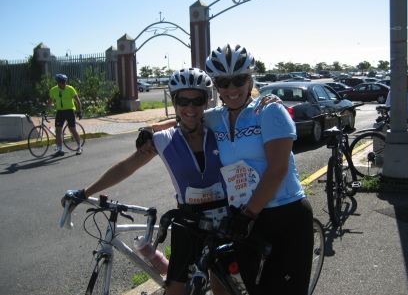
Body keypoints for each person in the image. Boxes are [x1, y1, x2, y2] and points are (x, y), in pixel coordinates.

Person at [153, 44, 314, 294]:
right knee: (254, 289)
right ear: (215, 86)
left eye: (239, 80)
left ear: (250, 79)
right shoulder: (217, 117)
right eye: (223, 82)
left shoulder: (269, 110)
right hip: (245, 219)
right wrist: (148, 129)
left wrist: (248, 215)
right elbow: (186, 117)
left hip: (283, 213)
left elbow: (278, 170)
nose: (231, 89)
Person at [61, 68, 231, 295]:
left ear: (207, 101)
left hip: (226, 222)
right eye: (183, 100)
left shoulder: (221, 129)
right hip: (188, 224)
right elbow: (126, 166)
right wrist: (85, 192)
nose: (190, 108)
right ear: (173, 101)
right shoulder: (162, 140)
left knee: (223, 289)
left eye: (197, 100)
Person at [43, 74, 83, 156]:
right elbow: (50, 102)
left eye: (65, 82)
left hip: (70, 111)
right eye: (62, 82)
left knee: (72, 129)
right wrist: (44, 110)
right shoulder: (53, 90)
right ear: (58, 82)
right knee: (58, 130)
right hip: (60, 112)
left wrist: (80, 111)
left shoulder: (70, 89)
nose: (64, 84)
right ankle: (60, 150)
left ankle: (79, 147)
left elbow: (77, 101)